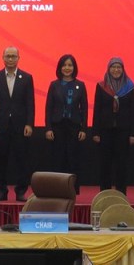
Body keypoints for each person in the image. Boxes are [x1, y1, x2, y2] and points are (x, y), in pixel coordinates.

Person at [0, 46, 35, 202]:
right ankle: (1, 191)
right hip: (1, 125)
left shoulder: (26, 78)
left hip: (20, 126)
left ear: (18, 58)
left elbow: (30, 103)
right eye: (7, 56)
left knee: (21, 159)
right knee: (1, 160)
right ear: (3, 58)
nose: (10, 59)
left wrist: (29, 124)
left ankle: (21, 191)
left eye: (13, 56)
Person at [92, 57, 134, 195]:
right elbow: (97, 109)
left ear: (123, 69)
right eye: (113, 67)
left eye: (119, 67)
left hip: (123, 131)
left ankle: (121, 193)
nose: (116, 70)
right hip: (105, 130)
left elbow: (133, 111)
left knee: (121, 164)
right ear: (108, 69)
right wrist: (95, 132)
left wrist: (133, 133)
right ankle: (104, 193)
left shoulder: (130, 87)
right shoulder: (101, 86)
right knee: (105, 164)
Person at [45, 54, 88, 194]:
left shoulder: (80, 85)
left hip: (74, 126)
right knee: (58, 158)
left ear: (74, 68)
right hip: (57, 126)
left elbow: (84, 109)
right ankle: (57, 188)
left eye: (70, 65)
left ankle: (73, 189)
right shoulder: (54, 85)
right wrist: (48, 128)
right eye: (64, 65)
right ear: (60, 67)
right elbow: (49, 108)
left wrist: (83, 129)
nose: (67, 68)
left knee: (73, 158)